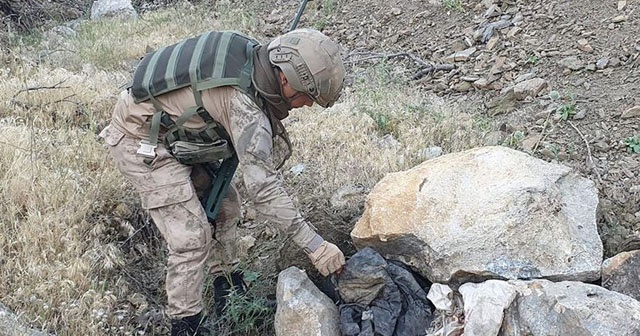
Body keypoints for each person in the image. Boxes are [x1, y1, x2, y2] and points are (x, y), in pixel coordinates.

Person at [99, 28, 347, 336]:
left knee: (226, 206)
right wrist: (316, 246)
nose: (306, 106)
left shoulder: (257, 60)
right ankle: (187, 323)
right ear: (285, 79)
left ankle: (229, 290)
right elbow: (264, 189)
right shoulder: (244, 106)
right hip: (141, 138)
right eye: (307, 98)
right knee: (191, 236)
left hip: (177, 130)